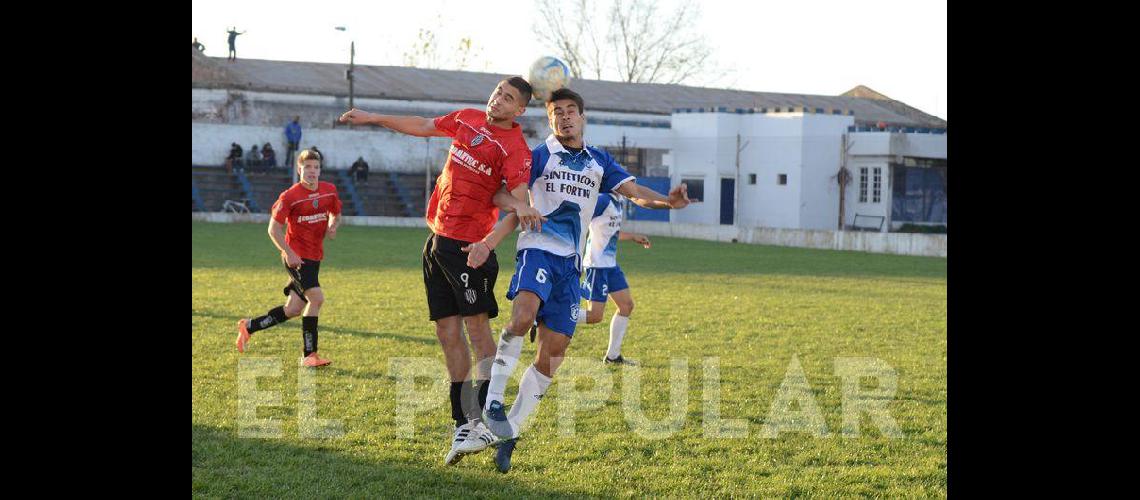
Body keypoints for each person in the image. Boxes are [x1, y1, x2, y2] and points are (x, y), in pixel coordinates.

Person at [465, 87, 690, 473]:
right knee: (521, 317)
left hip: (571, 267)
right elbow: (501, 195)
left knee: (553, 353)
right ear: (550, 119)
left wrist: (668, 201)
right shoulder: (539, 156)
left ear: (582, 117)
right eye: (557, 112)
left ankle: (511, 429)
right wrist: (501, 229)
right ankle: (495, 399)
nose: (565, 117)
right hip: (537, 250)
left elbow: (635, 193)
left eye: (571, 111)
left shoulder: (599, 161)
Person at [338, 77, 545, 466]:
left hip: (470, 248)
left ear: (520, 110)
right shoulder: (466, 119)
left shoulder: (516, 149)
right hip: (437, 241)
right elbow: (423, 125)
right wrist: (372, 117)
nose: (498, 100)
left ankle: (485, 418)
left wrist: (489, 241)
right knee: (446, 332)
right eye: (498, 92)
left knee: (478, 333)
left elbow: (515, 204)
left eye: (509, 99)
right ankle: (463, 422)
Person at [235, 149, 342, 367]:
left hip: (314, 257)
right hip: (296, 258)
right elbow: (273, 230)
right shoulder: (290, 196)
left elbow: (336, 213)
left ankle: (249, 326)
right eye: (307, 167)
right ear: (299, 169)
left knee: (292, 309)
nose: (312, 171)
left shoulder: (329, 191)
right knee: (317, 299)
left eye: (316, 167)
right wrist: (290, 253)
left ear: (320, 169)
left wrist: (332, 225)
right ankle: (309, 355)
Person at [579, 192, 655, 365]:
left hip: (610, 265)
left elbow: (611, 232)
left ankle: (613, 356)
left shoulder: (617, 201)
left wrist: (633, 236)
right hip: (597, 266)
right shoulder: (603, 199)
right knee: (595, 316)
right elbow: (580, 219)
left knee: (626, 306)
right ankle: (552, 315)